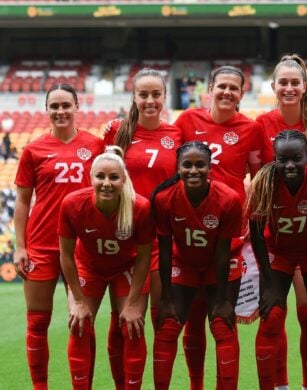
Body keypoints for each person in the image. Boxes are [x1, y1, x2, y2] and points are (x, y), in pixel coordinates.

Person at [173, 65, 261, 389]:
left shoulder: (249, 129)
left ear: (241, 93)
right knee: (193, 322)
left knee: (224, 321)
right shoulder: (186, 121)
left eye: (233, 88)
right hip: (189, 235)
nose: (226, 92)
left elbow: (259, 178)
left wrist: (251, 217)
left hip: (229, 237)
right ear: (210, 88)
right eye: (221, 86)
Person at [13, 83, 104, 389]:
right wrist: (20, 246)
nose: (61, 111)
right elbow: (24, 201)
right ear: (47, 110)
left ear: (78, 108)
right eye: (55, 106)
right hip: (41, 244)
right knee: (37, 322)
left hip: (82, 247)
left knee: (82, 323)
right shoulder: (33, 150)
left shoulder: (94, 146)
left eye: (66, 105)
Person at [255, 53, 307, 389]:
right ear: (273, 86)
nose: (288, 87)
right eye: (282, 82)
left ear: (304, 87)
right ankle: (282, 384)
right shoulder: (260, 124)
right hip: (274, 234)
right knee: (275, 313)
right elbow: (255, 177)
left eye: (294, 82)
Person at [103, 67, 182, 388]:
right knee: (123, 320)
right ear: (134, 97)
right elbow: (103, 181)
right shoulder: (116, 132)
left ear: (165, 97)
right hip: (124, 238)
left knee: (162, 320)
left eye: (156, 94)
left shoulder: (177, 135)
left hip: (163, 240)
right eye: (143, 94)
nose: (150, 101)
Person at [247, 130, 307, 390]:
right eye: (282, 159)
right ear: (275, 158)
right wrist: (267, 279)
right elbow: (256, 234)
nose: (289, 165)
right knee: (272, 315)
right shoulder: (263, 183)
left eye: (296, 158)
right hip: (278, 253)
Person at [59, 146, 154, 389]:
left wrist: (133, 304)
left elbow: (144, 257)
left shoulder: (139, 207)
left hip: (126, 267)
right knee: (78, 325)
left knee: (133, 326)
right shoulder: (72, 204)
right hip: (89, 267)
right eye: (100, 176)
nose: (106, 183)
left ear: (123, 179)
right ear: (91, 178)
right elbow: (67, 255)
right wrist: (78, 301)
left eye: (113, 177)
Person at [151, 141, 242, 390]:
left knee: (222, 324)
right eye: (187, 165)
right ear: (178, 168)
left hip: (220, 263)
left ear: (210, 167)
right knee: (168, 325)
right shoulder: (163, 199)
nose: (194, 171)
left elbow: (223, 252)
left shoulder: (228, 198)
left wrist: (223, 299)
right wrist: (167, 298)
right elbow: (165, 250)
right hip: (184, 262)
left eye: (200, 165)